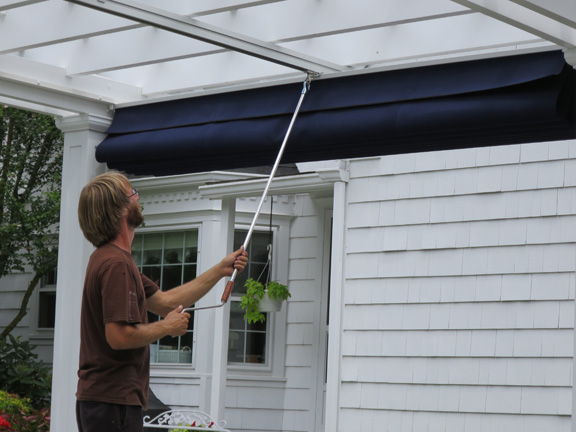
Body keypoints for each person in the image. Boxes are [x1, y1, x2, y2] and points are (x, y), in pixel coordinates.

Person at [75, 171, 248, 432]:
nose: (137, 198)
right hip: (110, 402)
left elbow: (166, 302)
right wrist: (166, 328)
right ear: (119, 209)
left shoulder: (117, 261)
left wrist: (220, 270)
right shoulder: (114, 264)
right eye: (132, 194)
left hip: (109, 402)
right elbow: (118, 336)